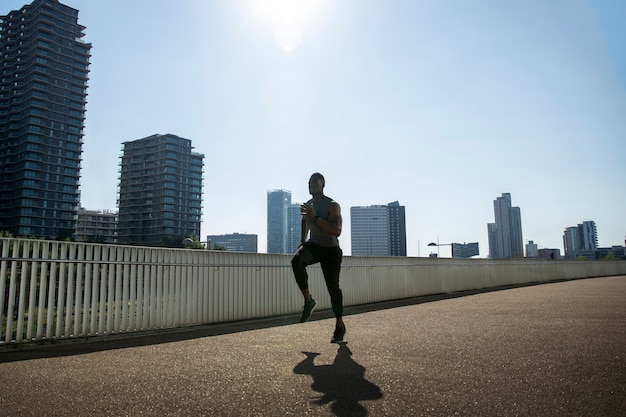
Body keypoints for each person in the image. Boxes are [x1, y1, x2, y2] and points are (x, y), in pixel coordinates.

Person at [291, 172, 346, 343]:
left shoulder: (332, 205)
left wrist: (315, 217)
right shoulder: (307, 205)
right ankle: (309, 301)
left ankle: (339, 325)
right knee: (296, 260)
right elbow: (304, 221)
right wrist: (302, 241)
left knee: (333, 288)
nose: (311, 186)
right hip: (314, 246)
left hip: (330, 249)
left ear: (323, 185)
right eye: (309, 183)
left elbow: (336, 230)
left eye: (315, 183)